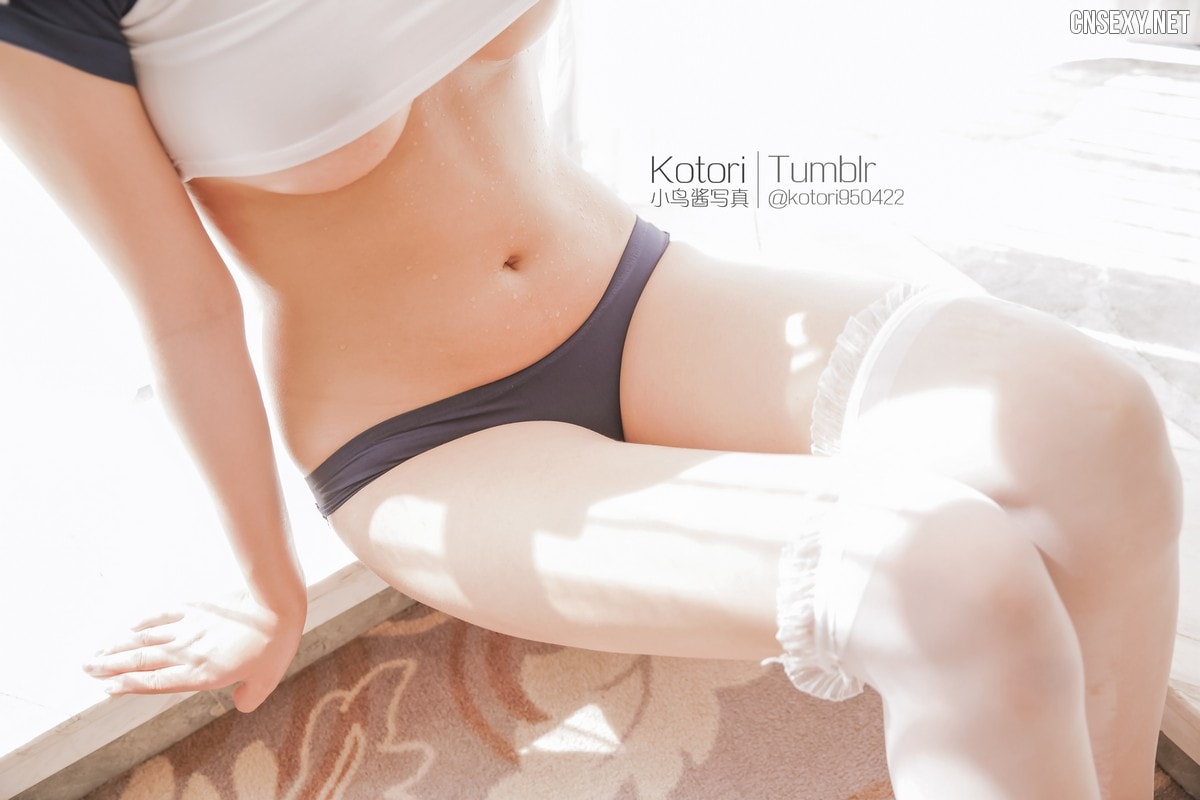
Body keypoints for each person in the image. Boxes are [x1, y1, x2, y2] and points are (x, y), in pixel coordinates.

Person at [0, 1, 1182, 797]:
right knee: (945, 574)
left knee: (1094, 419)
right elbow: (184, 308)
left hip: (636, 294)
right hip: (427, 438)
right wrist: (268, 588)